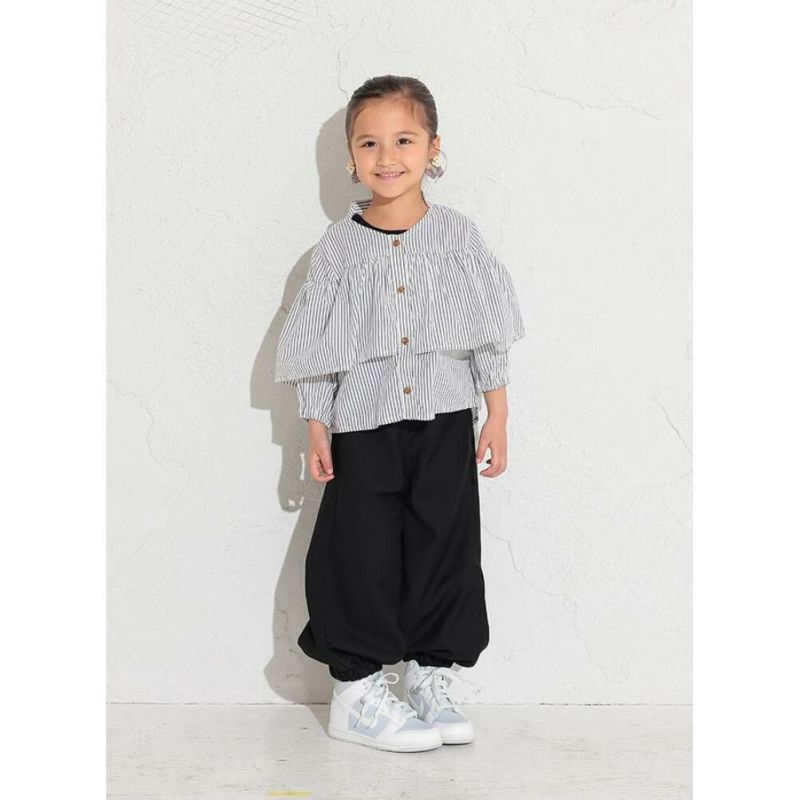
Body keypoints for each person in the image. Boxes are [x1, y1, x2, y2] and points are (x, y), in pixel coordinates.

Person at [274, 75, 526, 752]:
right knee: (359, 552)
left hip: (445, 421)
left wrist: (497, 415)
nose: (387, 157)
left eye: (404, 140)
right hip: (362, 424)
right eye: (370, 143)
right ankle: (356, 693)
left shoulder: (458, 237)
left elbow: (487, 331)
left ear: (433, 148)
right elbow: (316, 347)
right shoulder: (337, 248)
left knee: (446, 547)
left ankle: (427, 675)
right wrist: (316, 423)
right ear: (351, 157)